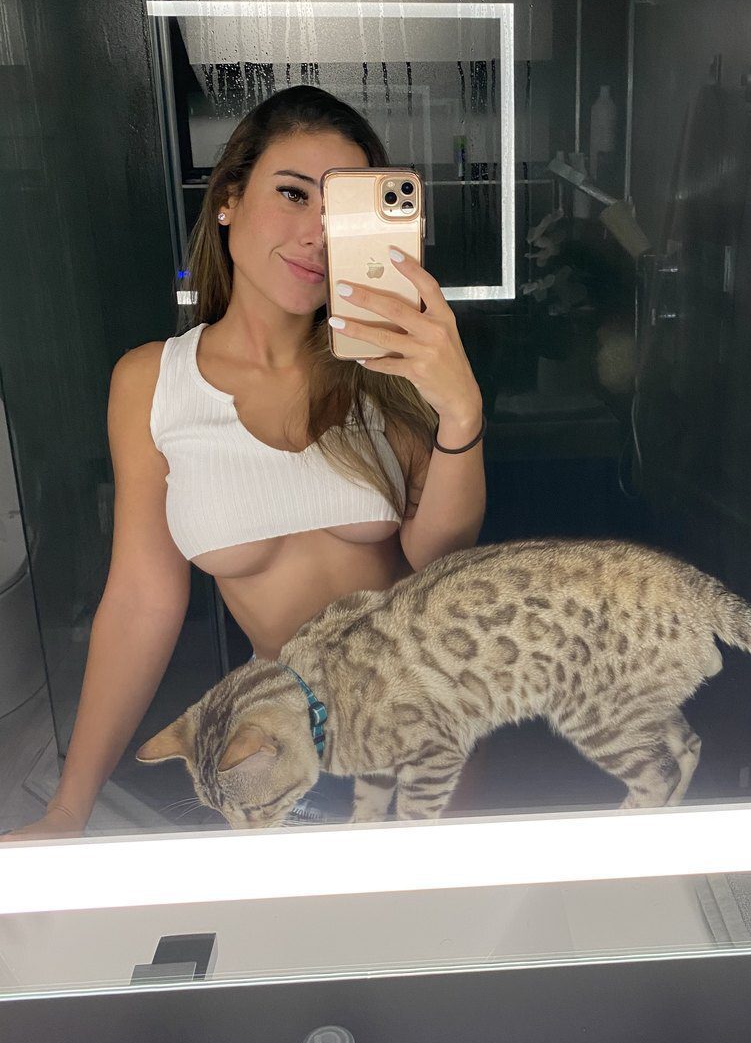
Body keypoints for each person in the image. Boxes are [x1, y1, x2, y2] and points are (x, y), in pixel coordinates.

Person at [7, 86, 485, 840]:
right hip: (280, 757)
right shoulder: (152, 382)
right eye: (293, 194)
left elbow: (442, 561)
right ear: (229, 198)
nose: (315, 234)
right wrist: (69, 807)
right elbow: (141, 600)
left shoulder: (386, 366)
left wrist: (461, 415)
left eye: (339, 212)